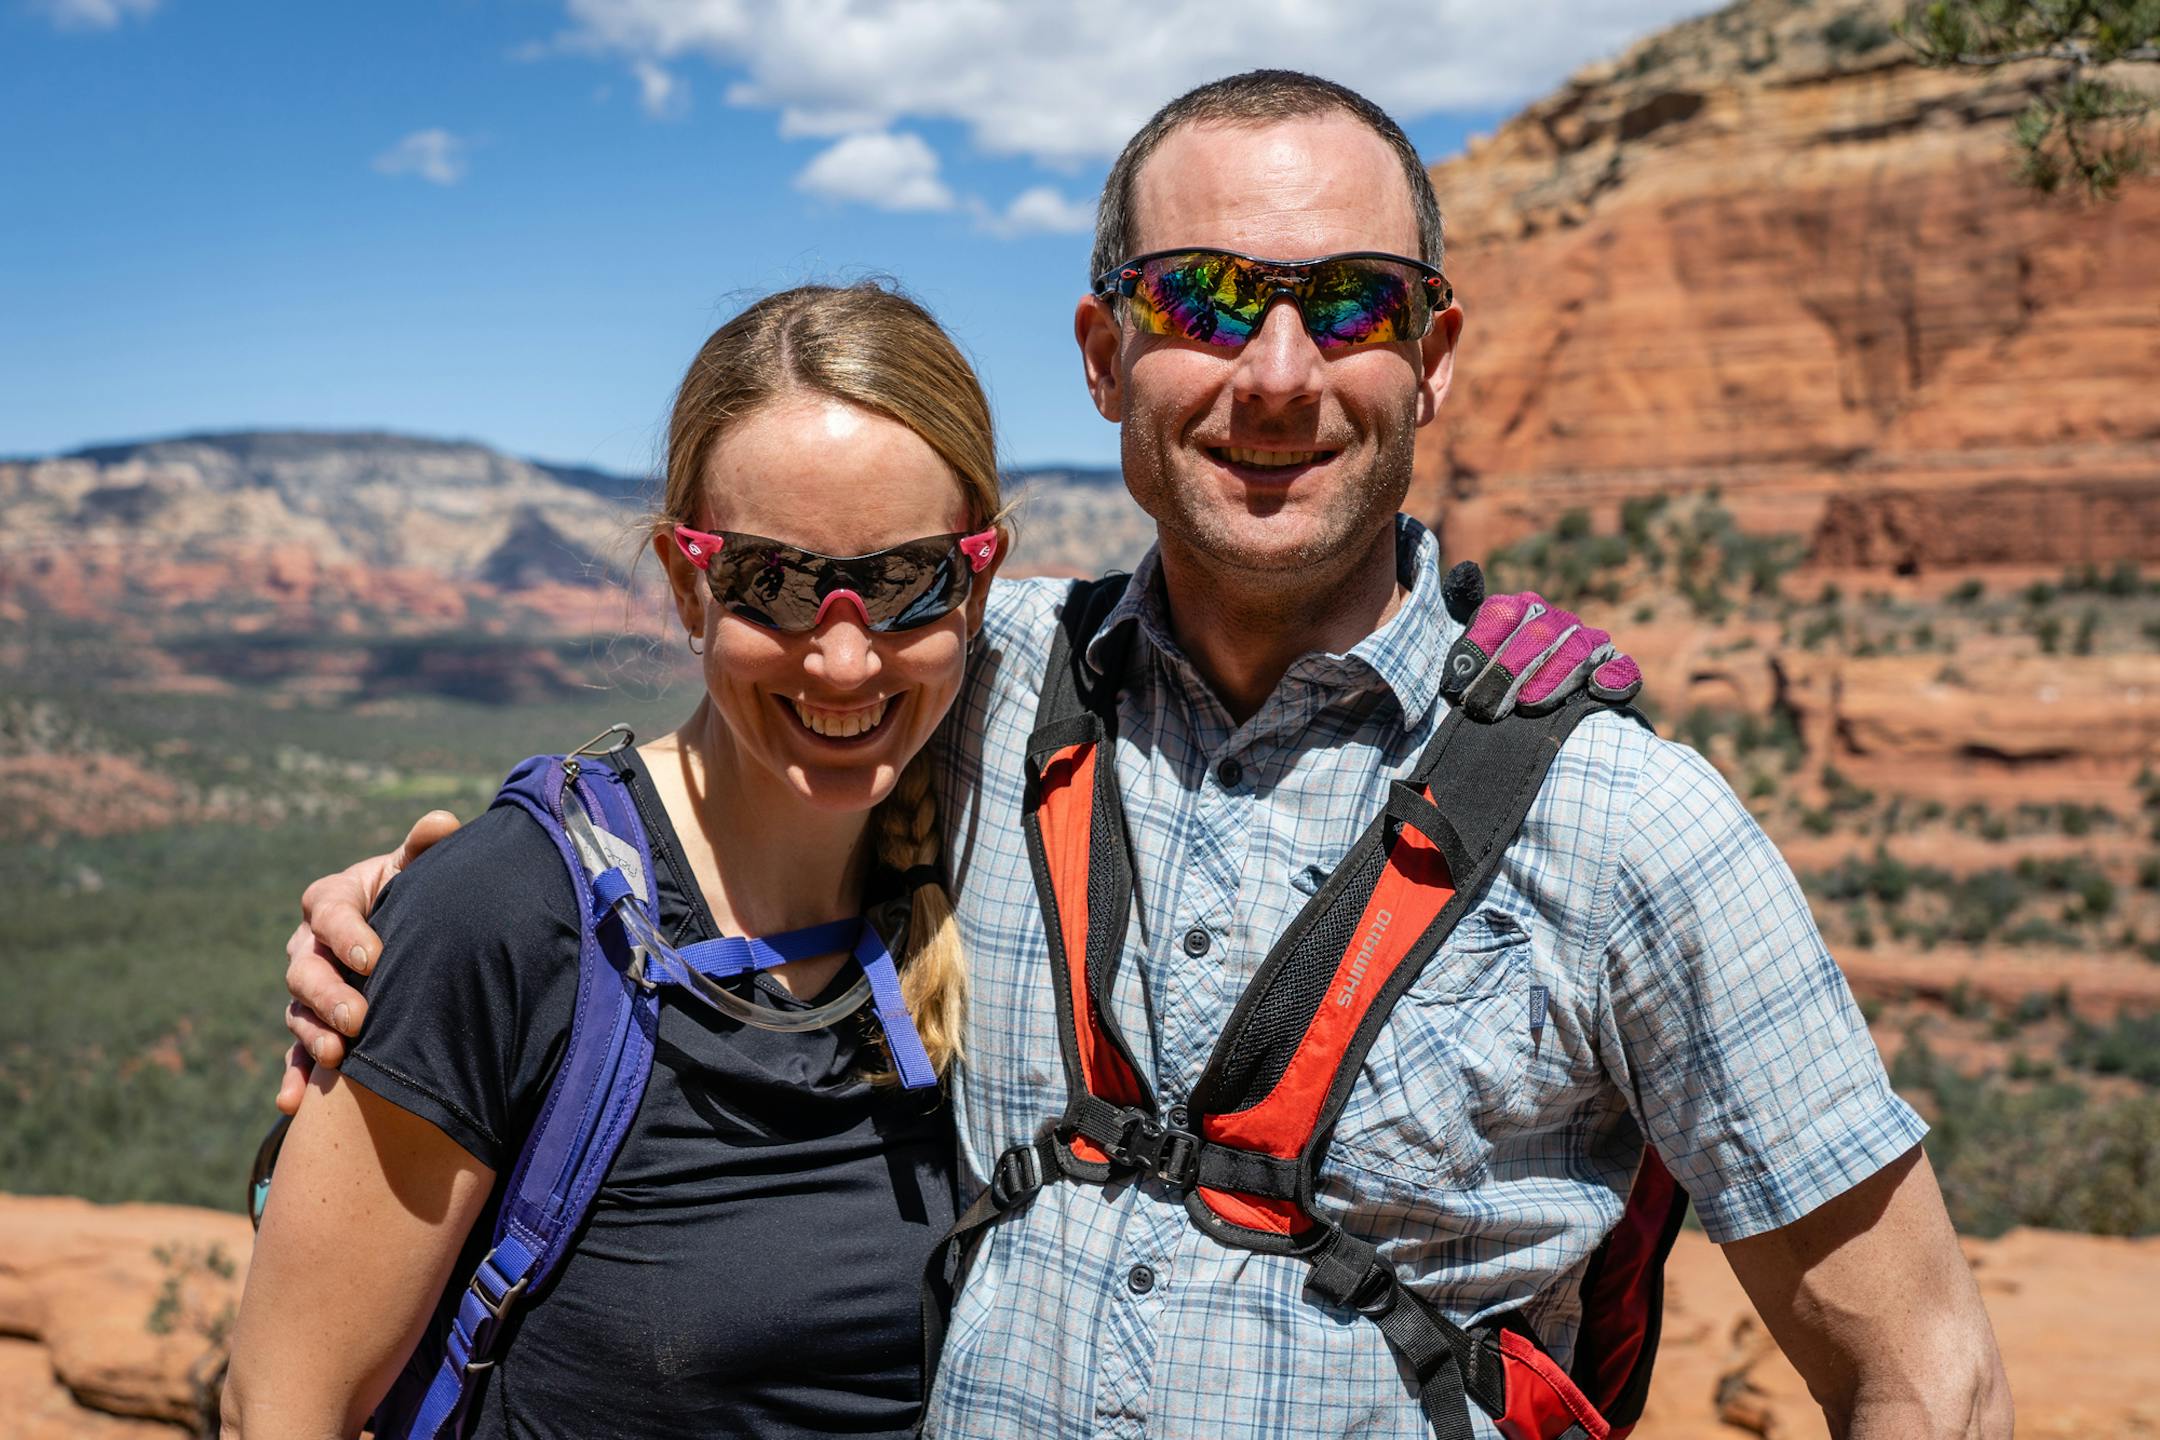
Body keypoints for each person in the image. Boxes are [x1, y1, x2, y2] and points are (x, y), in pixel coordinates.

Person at [276, 71, 2011, 1440]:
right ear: (1105, 357)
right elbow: (739, 751)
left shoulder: (1630, 825)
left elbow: (1924, 1369)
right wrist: (430, 916)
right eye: (1205, 299)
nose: (1275, 373)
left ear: (1437, 356)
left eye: (1350, 305)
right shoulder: (978, 681)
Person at [224, 283, 1002, 1438]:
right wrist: (434, 916)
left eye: (906, 580)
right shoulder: (512, 915)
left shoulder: (1010, 860)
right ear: (688, 582)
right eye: (773, 582)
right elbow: (282, 1408)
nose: (844, 658)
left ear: (980, 580)